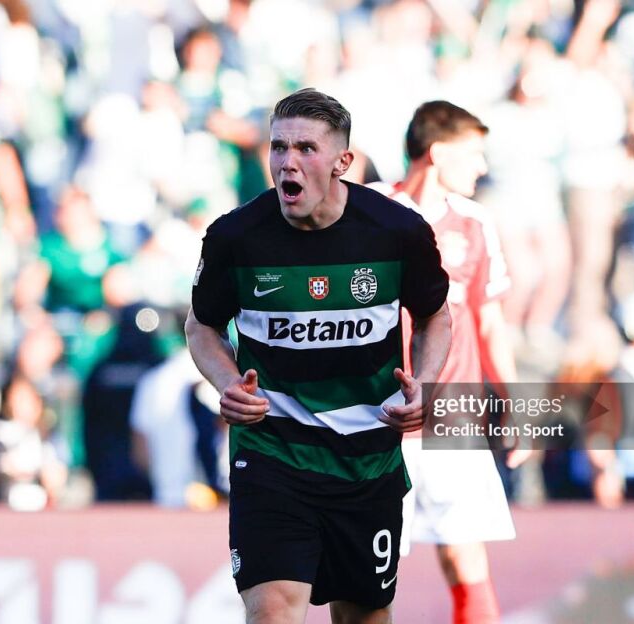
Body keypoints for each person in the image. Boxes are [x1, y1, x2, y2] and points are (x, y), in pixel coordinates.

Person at [185, 88, 452, 624]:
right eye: (278, 147)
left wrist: (424, 383)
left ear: (342, 162)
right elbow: (202, 325)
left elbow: (435, 317)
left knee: (362, 617)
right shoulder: (235, 236)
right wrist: (227, 382)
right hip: (273, 455)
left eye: (306, 148)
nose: (288, 161)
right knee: (272, 611)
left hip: (366, 459)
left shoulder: (397, 231)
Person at [372, 100, 525, 624]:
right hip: (377, 417)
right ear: (437, 152)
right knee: (367, 569)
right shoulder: (369, 209)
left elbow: (489, 321)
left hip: (452, 417)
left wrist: (514, 405)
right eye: (473, 153)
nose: (482, 167)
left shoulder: (475, 222)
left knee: (465, 557)